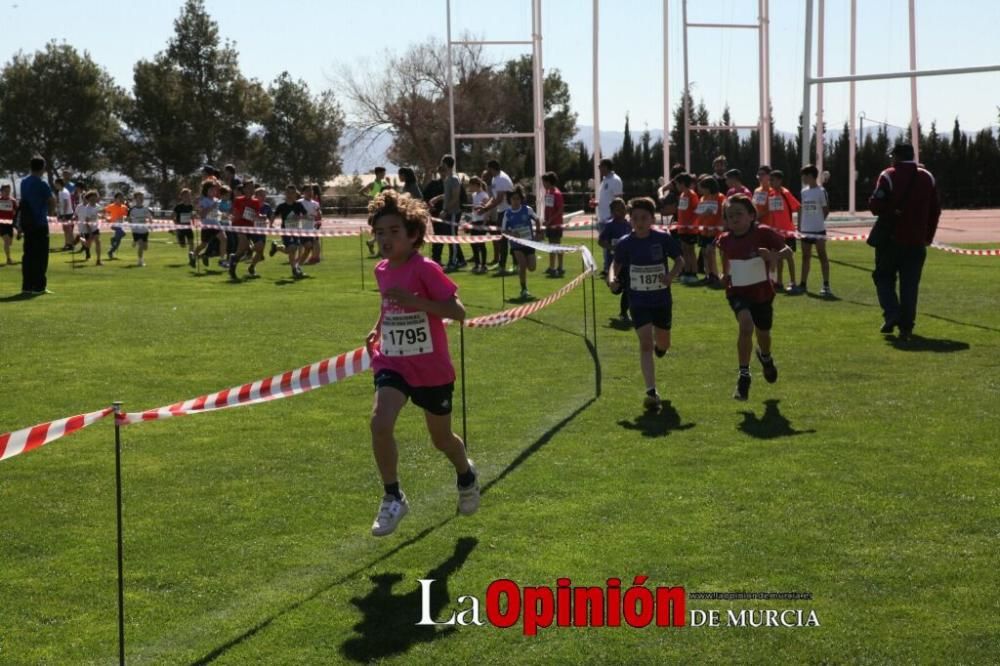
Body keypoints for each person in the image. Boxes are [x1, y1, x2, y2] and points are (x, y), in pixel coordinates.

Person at [364, 189, 479, 537]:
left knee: (441, 439)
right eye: (380, 232)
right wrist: (377, 328)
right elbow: (391, 307)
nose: (385, 239)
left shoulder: (426, 268)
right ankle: (393, 496)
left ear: (413, 235)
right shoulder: (382, 270)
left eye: (394, 232)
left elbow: (457, 312)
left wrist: (416, 301)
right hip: (394, 363)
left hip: (431, 369)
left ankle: (466, 476)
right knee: (379, 422)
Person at [607, 197, 684, 411]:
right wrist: (612, 279)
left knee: (663, 343)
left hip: (661, 300)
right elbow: (616, 264)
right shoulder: (625, 242)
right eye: (635, 218)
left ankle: (662, 348)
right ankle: (651, 391)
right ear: (630, 220)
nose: (639, 222)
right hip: (638, 300)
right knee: (645, 343)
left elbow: (680, 260)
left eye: (644, 218)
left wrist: (670, 276)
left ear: (652, 218)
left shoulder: (662, 238)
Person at [716, 195, 791, 401]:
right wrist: (723, 274)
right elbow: (723, 255)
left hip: (762, 294)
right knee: (746, 326)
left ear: (751, 215)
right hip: (737, 292)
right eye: (730, 216)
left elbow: (788, 250)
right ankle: (744, 376)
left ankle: (766, 358)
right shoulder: (725, 239)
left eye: (739, 214)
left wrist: (775, 256)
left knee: (763, 334)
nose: (734, 219)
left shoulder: (762, 233)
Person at [868, 143, 941, 341]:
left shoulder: (888, 175)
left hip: (891, 239)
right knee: (910, 286)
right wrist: (928, 236)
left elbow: (875, 206)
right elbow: (935, 210)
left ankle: (892, 313)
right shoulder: (927, 177)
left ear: (897, 157)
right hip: (917, 241)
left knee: (883, 277)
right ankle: (906, 327)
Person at [18, 157, 55, 295]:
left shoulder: (24, 182)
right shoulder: (42, 183)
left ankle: (27, 286)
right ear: (43, 168)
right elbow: (51, 201)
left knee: (28, 255)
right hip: (39, 223)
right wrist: (50, 214)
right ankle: (39, 286)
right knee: (41, 256)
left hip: (28, 223)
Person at [798, 164, 832, 296]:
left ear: (811, 176)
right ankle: (803, 284)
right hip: (806, 230)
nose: (803, 178)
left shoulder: (821, 191)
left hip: (818, 230)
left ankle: (826, 285)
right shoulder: (804, 191)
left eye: (804, 176)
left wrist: (818, 222)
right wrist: (801, 226)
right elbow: (803, 209)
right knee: (805, 257)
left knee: (822, 256)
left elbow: (825, 210)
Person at [501, 187, 542, 300]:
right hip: (516, 245)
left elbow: (537, 220)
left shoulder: (527, 209)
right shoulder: (507, 213)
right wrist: (512, 233)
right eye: (513, 199)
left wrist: (538, 232)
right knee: (522, 265)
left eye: (518, 199)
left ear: (521, 199)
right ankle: (524, 289)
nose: (516, 201)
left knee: (532, 267)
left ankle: (523, 282)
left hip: (529, 243)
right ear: (510, 200)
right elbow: (503, 230)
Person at [428, 155, 466, 272]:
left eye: (442, 162)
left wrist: (446, 210)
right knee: (449, 236)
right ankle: (457, 260)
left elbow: (455, 198)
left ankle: (454, 261)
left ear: (446, 164)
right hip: (449, 212)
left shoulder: (454, 179)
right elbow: (448, 195)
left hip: (453, 212)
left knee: (453, 237)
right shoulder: (448, 178)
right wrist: (437, 198)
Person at [598, 198, 633, 322]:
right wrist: (613, 247)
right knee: (616, 289)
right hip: (613, 263)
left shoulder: (629, 224)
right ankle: (614, 283)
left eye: (623, 208)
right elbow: (600, 241)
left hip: (628, 263)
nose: (621, 211)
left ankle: (624, 313)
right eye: (618, 209)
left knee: (629, 288)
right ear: (612, 212)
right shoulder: (610, 225)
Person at [766, 170, 801, 293]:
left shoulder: (785, 193)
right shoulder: (770, 194)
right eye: (769, 180)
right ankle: (779, 282)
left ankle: (793, 282)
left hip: (788, 232)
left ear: (780, 180)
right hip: (775, 233)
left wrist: (799, 227)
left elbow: (798, 207)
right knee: (778, 257)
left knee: (789, 257)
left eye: (772, 180)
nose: (770, 182)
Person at [480, 160, 514, 274]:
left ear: (491, 168)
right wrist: (484, 207)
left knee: (508, 239)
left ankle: (512, 265)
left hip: (508, 212)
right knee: (502, 239)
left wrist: (486, 209)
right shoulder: (495, 178)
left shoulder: (501, 179)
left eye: (488, 169)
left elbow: (499, 199)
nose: (487, 171)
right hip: (502, 211)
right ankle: (501, 263)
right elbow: (494, 198)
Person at [272, 184, 309, 279]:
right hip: (285, 231)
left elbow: (306, 216)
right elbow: (274, 215)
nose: (290, 195)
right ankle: (294, 270)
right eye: (288, 192)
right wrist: (270, 225)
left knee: (292, 250)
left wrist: (299, 217)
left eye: (292, 193)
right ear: (285, 194)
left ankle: (277, 247)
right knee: (292, 248)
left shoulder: (298, 205)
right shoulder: (281, 206)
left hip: (296, 231)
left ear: (295, 194)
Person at [695, 176, 725, 286]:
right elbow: (698, 214)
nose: (700, 190)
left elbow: (723, 214)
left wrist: (719, 227)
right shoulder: (702, 199)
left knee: (710, 251)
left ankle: (716, 275)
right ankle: (708, 275)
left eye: (702, 188)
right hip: (704, 230)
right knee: (705, 253)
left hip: (716, 230)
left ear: (709, 187)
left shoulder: (720, 197)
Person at [596, 157, 624, 276]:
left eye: (600, 166)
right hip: (602, 217)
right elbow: (606, 199)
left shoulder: (615, 180)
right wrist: (596, 202)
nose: (599, 169)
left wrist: (616, 216)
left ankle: (614, 268)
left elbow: (619, 199)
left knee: (612, 245)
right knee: (605, 245)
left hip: (610, 218)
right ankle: (607, 267)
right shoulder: (604, 180)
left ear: (606, 167)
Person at [672, 173, 700, 284]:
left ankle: (693, 272)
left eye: (677, 184)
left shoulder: (692, 194)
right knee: (684, 250)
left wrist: (692, 223)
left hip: (690, 229)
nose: (676, 186)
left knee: (690, 250)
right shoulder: (682, 195)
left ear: (682, 183)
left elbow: (697, 210)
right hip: (682, 228)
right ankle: (687, 271)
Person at [541, 171, 565, 277]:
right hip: (549, 224)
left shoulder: (556, 193)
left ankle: (559, 266)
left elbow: (560, 209)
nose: (543, 184)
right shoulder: (548, 193)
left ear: (549, 182)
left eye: (544, 182)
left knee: (556, 245)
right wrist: (546, 219)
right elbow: (548, 208)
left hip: (556, 224)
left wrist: (550, 220)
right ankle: (552, 266)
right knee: (551, 245)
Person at [466, 176, 490, 274]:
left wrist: (484, 222)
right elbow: (474, 209)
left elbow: (487, 209)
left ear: (476, 185)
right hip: (475, 221)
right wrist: (471, 220)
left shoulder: (484, 195)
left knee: (481, 244)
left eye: (471, 186)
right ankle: (477, 264)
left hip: (481, 221)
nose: (469, 188)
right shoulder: (474, 195)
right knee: (473, 243)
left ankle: (483, 265)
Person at [74, 190, 102, 265]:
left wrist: (103, 217)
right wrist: (90, 233)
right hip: (87, 228)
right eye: (91, 198)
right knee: (87, 245)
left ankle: (98, 260)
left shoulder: (98, 206)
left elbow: (100, 214)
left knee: (98, 242)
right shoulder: (87, 209)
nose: (93, 199)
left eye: (95, 197)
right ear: (89, 199)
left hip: (95, 228)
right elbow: (87, 221)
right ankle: (80, 238)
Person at [128, 191, 154, 267]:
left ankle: (134, 241)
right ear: (135, 199)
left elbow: (150, 217)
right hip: (136, 230)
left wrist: (151, 225)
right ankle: (140, 261)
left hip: (144, 230)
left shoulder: (146, 209)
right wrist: (131, 225)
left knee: (145, 247)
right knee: (141, 245)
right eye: (140, 198)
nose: (142, 199)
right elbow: (128, 219)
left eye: (142, 198)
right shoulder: (132, 209)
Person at [105, 191, 129, 260]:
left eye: (122, 197)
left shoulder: (124, 207)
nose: (121, 199)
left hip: (120, 225)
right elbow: (104, 212)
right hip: (114, 225)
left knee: (118, 242)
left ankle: (110, 252)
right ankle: (113, 239)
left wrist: (127, 217)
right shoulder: (111, 206)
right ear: (115, 199)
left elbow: (126, 215)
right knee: (123, 233)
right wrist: (107, 218)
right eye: (119, 197)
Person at [54, 178, 75, 251]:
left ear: (59, 184)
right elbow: (60, 203)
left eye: (56, 184)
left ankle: (72, 244)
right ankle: (67, 243)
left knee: (69, 230)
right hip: (63, 213)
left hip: (68, 213)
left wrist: (64, 215)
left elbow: (66, 203)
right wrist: (59, 212)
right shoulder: (60, 192)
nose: (55, 185)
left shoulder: (64, 192)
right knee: (65, 229)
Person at [0, 184, 19, 265]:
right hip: (1, 224)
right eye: (6, 191)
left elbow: (16, 212)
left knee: (10, 242)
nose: (8, 193)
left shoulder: (13, 201)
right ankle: (8, 259)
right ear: (1, 191)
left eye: (9, 191)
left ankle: (8, 257)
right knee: (7, 241)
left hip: (10, 224)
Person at [174, 188, 195, 255]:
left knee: (191, 242)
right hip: (180, 228)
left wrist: (193, 219)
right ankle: (177, 234)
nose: (187, 197)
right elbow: (172, 216)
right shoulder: (178, 207)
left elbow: (191, 215)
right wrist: (176, 224)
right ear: (182, 197)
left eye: (188, 196)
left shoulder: (191, 206)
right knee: (183, 246)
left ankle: (191, 256)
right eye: (185, 196)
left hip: (188, 227)